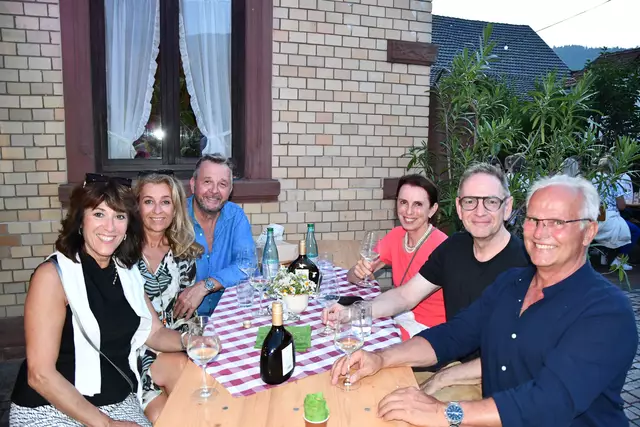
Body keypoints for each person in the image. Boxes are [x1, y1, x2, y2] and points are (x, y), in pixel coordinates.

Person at [331, 175, 637, 427]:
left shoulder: (607, 312)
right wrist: (381, 358)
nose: (541, 232)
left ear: (588, 232)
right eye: (534, 220)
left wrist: (444, 412)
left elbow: (549, 402)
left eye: (558, 222)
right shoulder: (511, 284)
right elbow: (453, 335)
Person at [323, 163, 529, 387]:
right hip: (448, 357)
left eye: (491, 201)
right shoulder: (455, 247)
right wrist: (354, 313)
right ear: (459, 208)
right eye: (470, 201)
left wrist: (440, 379)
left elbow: (514, 356)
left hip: (494, 384)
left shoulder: (526, 267)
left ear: (507, 207)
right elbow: (405, 296)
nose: (480, 211)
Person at [10, 174, 190, 427]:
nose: (110, 227)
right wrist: (107, 424)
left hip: (115, 399)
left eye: (119, 216)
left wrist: (191, 341)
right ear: (80, 220)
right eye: (99, 214)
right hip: (51, 407)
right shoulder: (53, 276)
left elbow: (154, 332)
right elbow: (40, 375)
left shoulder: (126, 272)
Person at [133, 171, 204, 422]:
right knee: (161, 414)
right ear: (137, 206)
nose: (157, 210)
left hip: (175, 341)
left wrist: (192, 343)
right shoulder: (121, 252)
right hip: (136, 346)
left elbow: (186, 314)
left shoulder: (183, 251)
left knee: (170, 411)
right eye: (148, 201)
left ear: (175, 208)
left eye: (165, 201)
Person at [345, 174, 448, 340]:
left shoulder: (442, 246)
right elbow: (352, 276)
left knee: (363, 338)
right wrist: (359, 271)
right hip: (400, 317)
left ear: (432, 209)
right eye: (403, 202)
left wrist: (352, 312)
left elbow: (405, 297)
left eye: (418, 204)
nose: (408, 211)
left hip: (430, 331)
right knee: (350, 332)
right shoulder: (396, 236)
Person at [173, 154, 256, 317]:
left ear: (230, 190)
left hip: (229, 315)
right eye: (207, 182)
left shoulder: (236, 216)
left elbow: (247, 264)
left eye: (222, 184)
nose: (214, 191)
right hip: (184, 319)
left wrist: (205, 286)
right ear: (193, 184)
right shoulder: (175, 217)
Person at [592, 157, 639, 270]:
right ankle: (619, 260)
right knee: (635, 230)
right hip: (608, 219)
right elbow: (622, 206)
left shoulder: (591, 179)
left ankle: (605, 253)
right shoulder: (613, 181)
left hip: (593, 217)